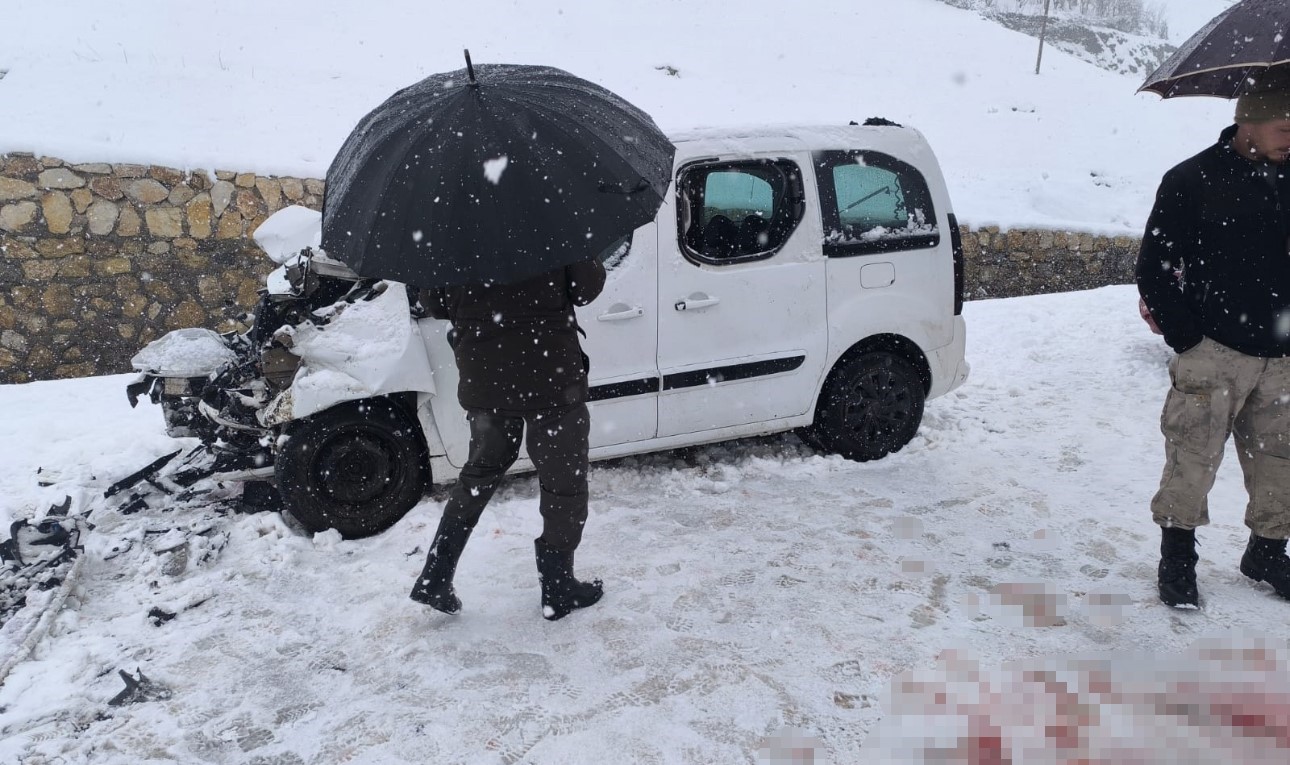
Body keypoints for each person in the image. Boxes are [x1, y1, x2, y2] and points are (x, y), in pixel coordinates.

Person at [1136, 86, 1290, 608]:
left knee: (1280, 461)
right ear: (1250, 123)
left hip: (1283, 355)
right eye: (1284, 130)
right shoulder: (1191, 179)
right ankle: (1178, 556)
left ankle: (1268, 551)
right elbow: (1153, 266)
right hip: (1215, 350)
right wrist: (1188, 338)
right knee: (1192, 457)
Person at [409, 258, 607, 620]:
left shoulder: (453, 230)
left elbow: (435, 304)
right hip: (551, 379)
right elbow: (586, 289)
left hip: (487, 379)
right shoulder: (552, 218)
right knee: (564, 481)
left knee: (478, 473)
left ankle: (436, 574)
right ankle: (558, 585)